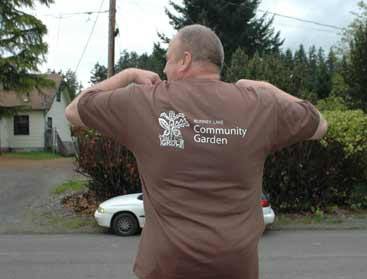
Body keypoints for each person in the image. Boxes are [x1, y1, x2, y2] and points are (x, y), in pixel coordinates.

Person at [65, 24, 327, 279]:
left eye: (167, 59)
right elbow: (319, 126)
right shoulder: (260, 105)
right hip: (235, 267)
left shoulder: (145, 101)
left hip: (165, 268)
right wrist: (267, 88)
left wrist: (129, 75)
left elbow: (74, 111)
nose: (164, 68)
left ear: (185, 61)